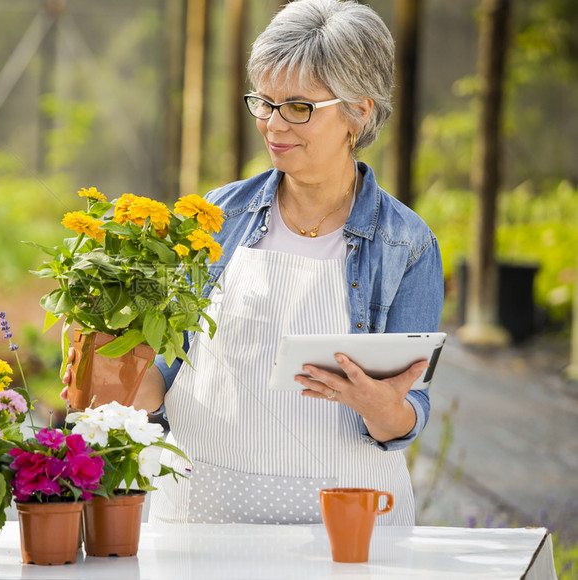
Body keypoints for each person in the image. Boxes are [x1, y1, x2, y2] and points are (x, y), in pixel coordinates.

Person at [64, 0, 443, 526]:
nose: (272, 124)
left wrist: (382, 409)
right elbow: (165, 381)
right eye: (264, 102)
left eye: (298, 107)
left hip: (347, 527)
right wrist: (112, 377)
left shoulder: (406, 244)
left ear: (359, 110)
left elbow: (409, 412)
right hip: (203, 514)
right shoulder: (217, 217)